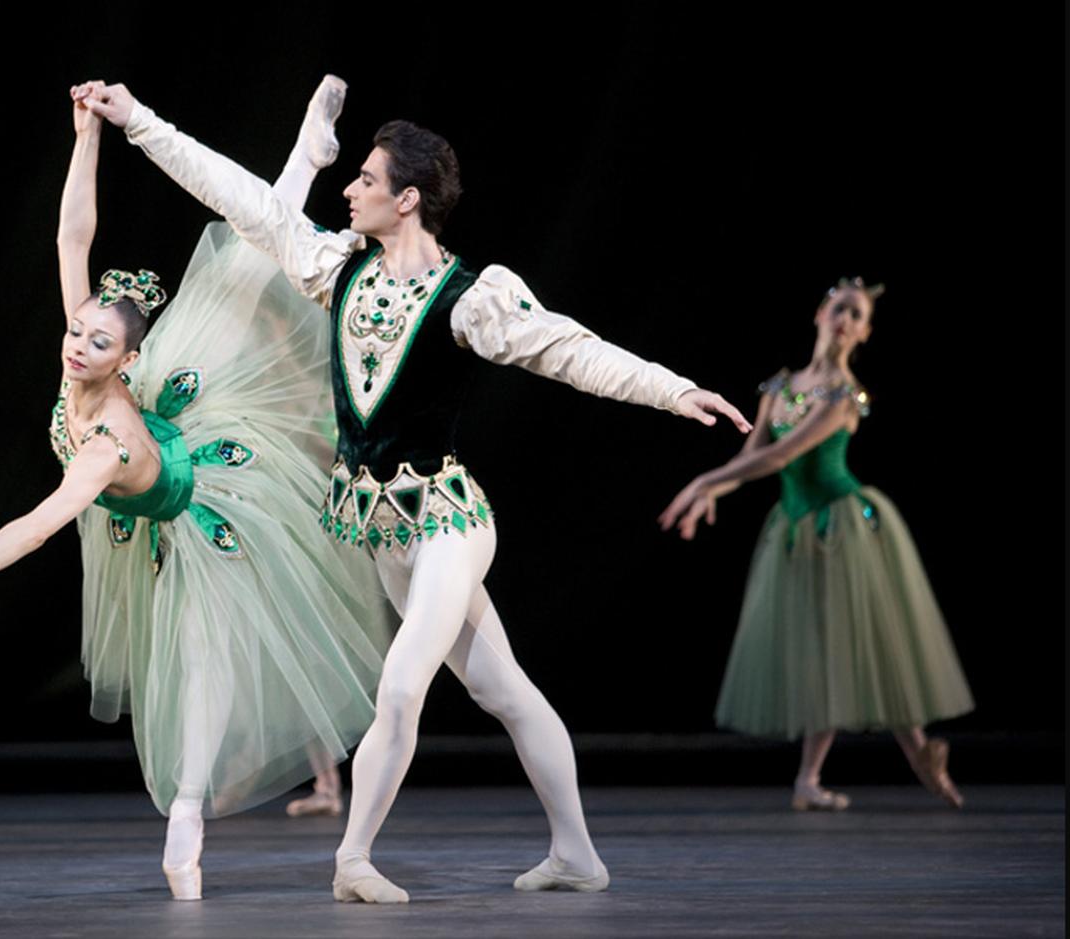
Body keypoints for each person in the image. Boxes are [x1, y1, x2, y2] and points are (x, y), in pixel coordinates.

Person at [72, 76, 751, 903]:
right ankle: (577, 853)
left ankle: (352, 858)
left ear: (408, 200)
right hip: (384, 528)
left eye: (364, 178)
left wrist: (672, 387)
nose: (350, 189)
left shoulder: (471, 300)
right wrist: (139, 119)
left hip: (447, 521)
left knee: (401, 682)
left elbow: (571, 349)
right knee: (504, 689)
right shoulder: (336, 267)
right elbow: (241, 195)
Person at [0, 83, 387, 901]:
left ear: (126, 360)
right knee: (232, 287)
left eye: (96, 341)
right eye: (75, 329)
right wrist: (85, 135)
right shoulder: (86, 352)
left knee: (243, 283)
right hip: (157, 470)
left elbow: (41, 523)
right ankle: (304, 161)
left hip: (201, 497)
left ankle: (188, 820)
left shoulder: (105, 447)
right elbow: (72, 238)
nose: (75, 344)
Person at [659, 277, 971, 811]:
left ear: (865, 332)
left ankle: (916, 755)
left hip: (844, 525)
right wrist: (715, 486)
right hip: (796, 528)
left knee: (871, 642)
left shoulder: (846, 398)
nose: (845, 319)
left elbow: (782, 457)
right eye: (839, 308)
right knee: (820, 647)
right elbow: (749, 458)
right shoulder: (779, 389)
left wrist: (704, 483)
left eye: (857, 314)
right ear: (820, 314)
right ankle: (814, 778)